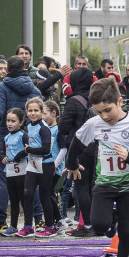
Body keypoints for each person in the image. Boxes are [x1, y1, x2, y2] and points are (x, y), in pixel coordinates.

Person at [65, 78, 129, 257]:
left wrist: (128, 157)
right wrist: (73, 165)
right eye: (98, 112)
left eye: (107, 110)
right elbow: (74, 146)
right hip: (104, 183)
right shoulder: (95, 124)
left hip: (128, 186)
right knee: (99, 224)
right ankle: (111, 220)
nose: (104, 116)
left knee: (127, 232)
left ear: (120, 102)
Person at [0, 56, 42, 234]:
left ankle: (2, 221)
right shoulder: (34, 90)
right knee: (32, 181)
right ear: (25, 68)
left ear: (7, 70)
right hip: (30, 142)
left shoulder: (2, 88)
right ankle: (38, 220)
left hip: (6, 142)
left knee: (3, 182)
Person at [59, 67, 96, 237]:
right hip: (96, 147)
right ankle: (97, 222)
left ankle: (87, 224)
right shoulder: (97, 99)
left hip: (78, 148)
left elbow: (64, 127)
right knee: (94, 186)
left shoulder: (73, 101)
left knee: (81, 187)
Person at [20, 97, 56, 237]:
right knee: (27, 193)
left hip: (45, 164)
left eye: (36, 110)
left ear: (41, 112)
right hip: (32, 164)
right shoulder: (28, 127)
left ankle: (50, 226)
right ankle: (28, 226)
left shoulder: (44, 128)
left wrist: (29, 150)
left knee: (44, 196)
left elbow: (46, 149)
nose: (33, 113)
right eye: (30, 110)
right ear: (26, 112)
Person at [0, 107, 29, 237]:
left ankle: (28, 225)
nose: (9, 124)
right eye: (8, 121)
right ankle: (13, 225)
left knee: (24, 199)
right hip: (10, 172)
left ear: (21, 123)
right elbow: (2, 152)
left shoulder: (23, 135)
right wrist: (3, 158)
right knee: (13, 199)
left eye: (13, 121)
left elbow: (29, 150)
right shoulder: (6, 137)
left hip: (22, 172)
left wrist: (20, 155)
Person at [42, 100, 70, 233]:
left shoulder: (58, 130)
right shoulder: (45, 129)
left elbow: (63, 149)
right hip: (45, 166)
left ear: (53, 113)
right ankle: (56, 219)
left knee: (48, 193)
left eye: (44, 113)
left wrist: (55, 165)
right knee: (48, 193)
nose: (42, 116)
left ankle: (58, 220)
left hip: (55, 168)